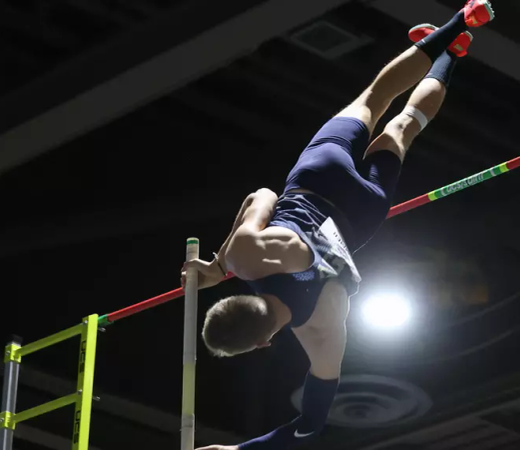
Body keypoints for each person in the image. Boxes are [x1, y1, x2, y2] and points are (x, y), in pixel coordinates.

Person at [183, 2, 495, 448]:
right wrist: (218, 264)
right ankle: (458, 23)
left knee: (401, 129)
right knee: (375, 98)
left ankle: (452, 55)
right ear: (234, 297)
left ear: (260, 345)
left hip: (360, 214)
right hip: (317, 178)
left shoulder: (320, 332)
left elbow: (309, 426)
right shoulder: (247, 257)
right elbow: (263, 196)